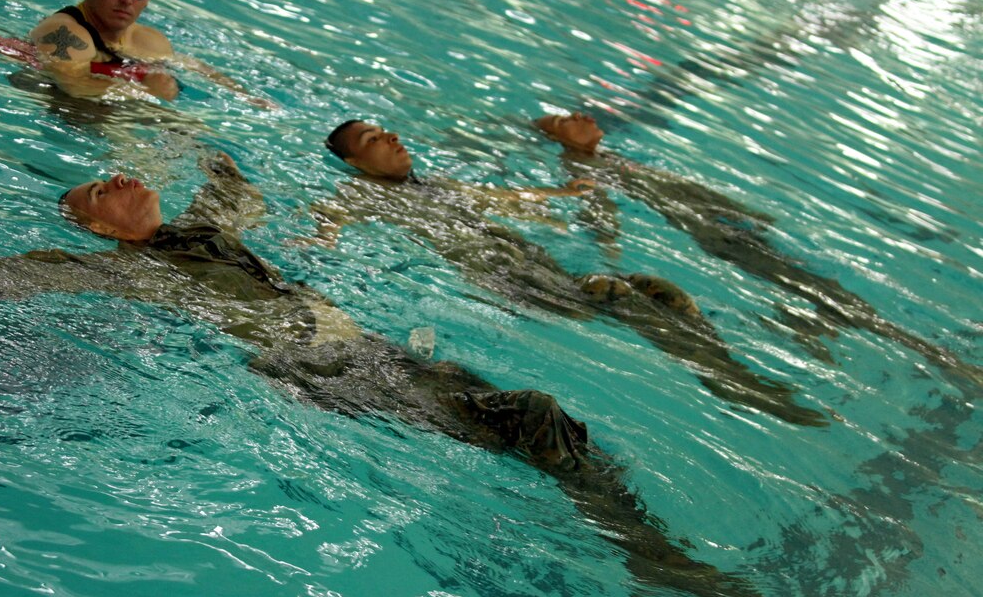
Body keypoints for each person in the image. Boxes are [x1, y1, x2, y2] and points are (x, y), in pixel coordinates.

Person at [0, 152, 761, 597]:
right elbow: (35, 275)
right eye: (101, 186)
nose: (120, 177)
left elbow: (237, 194)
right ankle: (653, 559)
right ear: (93, 222)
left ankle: (647, 557)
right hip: (326, 372)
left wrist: (210, 158)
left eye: (117, 171)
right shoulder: (118, 267)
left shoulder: (198, 237)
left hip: (376, 353)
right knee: (532, 415)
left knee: (539, 423)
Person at [318, 120, 828, 427]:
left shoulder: (437, 186)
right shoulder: (361, 193)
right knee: (616, 292)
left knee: (652, 289)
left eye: (387, 130)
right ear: (356, 162)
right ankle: (731, 381)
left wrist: (562, 198)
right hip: (509, 280)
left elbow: (506, 200)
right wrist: (318, 243)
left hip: (538, 265)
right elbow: (331, 220)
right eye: (373, 138)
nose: (392, 137)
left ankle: (726, 371)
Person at [534, 112, 983, 393]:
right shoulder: (580, 165)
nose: (581, 114)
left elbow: (687, 190)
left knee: (822, 291)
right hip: (720, 240)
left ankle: (837, 330)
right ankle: (939, 359)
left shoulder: (611, 159)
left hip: (732, 230)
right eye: (563, 119)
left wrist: (745, 212)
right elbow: (598, 209)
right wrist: (609, 246)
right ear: (561, 139)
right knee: (828, 292)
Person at [28, 0, 272, 107]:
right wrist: (145, 92)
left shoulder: (150, 41)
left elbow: (192, 65)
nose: (127, 0)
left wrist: (245, 96)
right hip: (73, 119)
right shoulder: (66, 31)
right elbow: (73, 85)